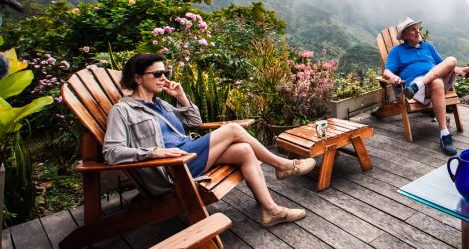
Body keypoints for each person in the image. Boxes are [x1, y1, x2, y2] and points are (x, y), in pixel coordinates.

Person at [104, 53, 316, 228]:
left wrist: (181, 97)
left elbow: (195, 122)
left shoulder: (160, 105)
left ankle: (271, 211)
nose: (163, 77)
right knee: (232, 128)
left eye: (165, 73)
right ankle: (283, 165)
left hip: (188, 153)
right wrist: (154, 153)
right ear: (138, 78)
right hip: (172, 169)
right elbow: (112, 153)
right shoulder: (122, 111)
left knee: (243, 150)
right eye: (157, 73)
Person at [382, 17, 469, 156]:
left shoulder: (427, 47)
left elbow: (443, 65)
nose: (417, 31)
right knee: (436, 82)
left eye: (417, 28)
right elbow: (386, 71)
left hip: (428, 82)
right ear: (405, 35)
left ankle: (419, 84)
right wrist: (393, 77)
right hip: (423, 85)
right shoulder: (397, 51)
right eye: (413, 29)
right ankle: (444, 135)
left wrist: (460, 70)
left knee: (452, 60)